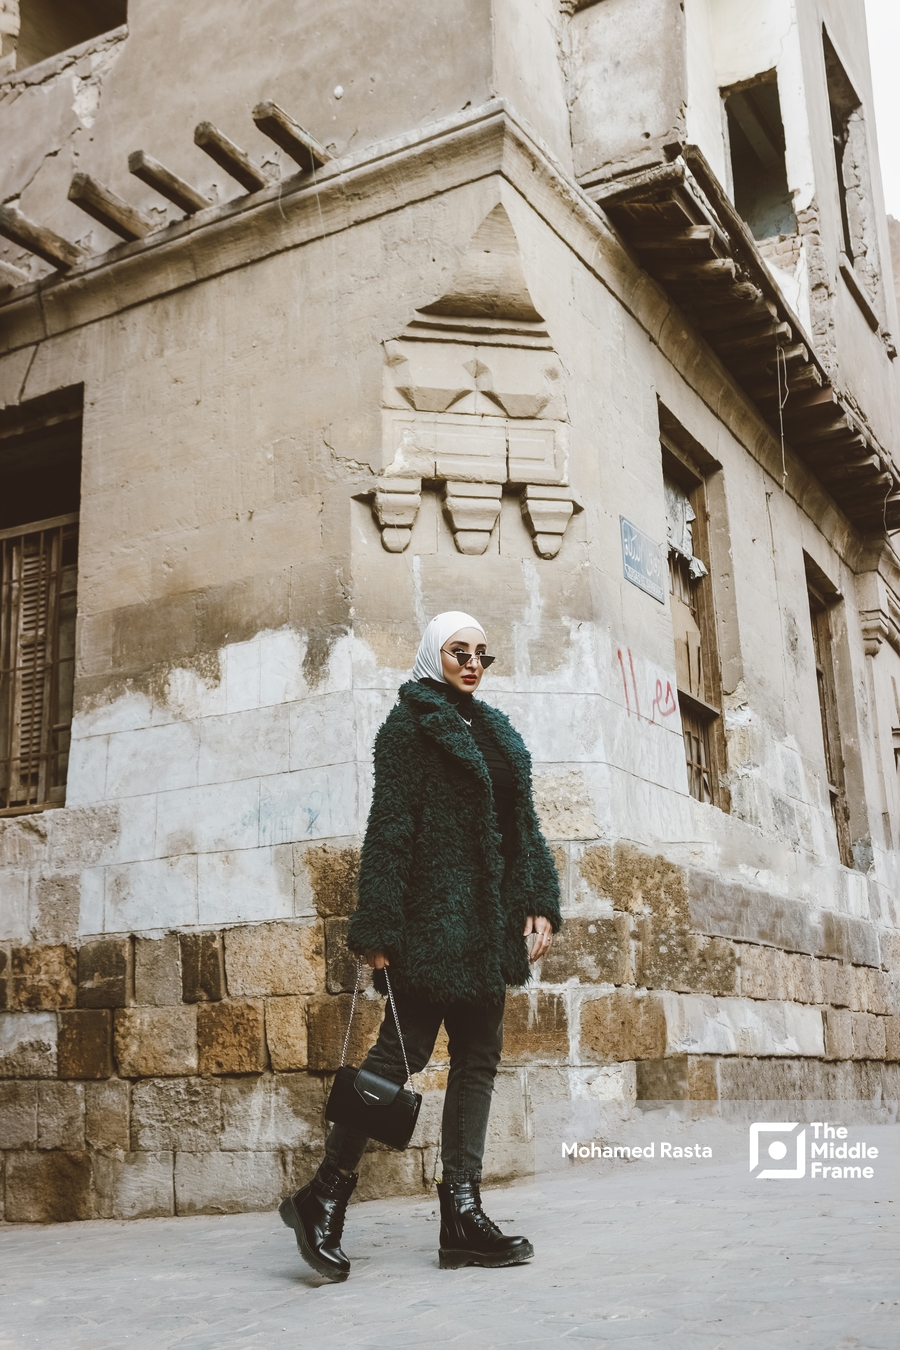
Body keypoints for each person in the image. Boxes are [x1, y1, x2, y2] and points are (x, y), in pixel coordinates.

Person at [280, 611, 562, 1280]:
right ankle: (323, 1196)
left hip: (488, 931)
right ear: (433, 655)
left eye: (482, 655)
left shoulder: (494, 730)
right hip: (430, 925)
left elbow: (522, 825)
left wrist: (539, 903)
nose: (472, 663)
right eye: (458, 651)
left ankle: (462, 1212)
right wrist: (378, 928)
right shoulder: (409, 727)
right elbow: (390, 828)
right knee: (390, 1064)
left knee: (478, 1061)